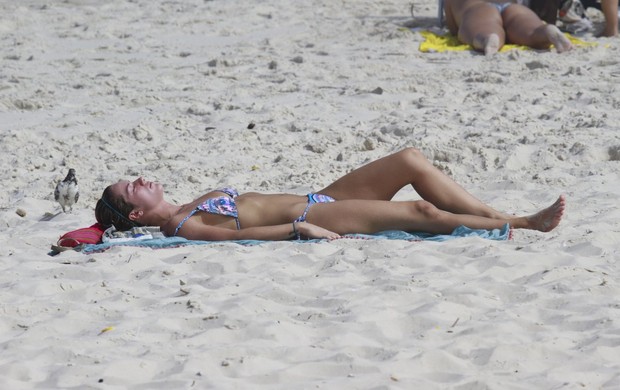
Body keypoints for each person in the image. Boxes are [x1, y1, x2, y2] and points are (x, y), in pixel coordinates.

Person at [95, 148, 566, 241]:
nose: (139, 178)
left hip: (319, 195)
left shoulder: (191, 201)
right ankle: (522, 223)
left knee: (409, 160)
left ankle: (499, 214)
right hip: (323, 214)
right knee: (419, 210)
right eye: (130, 188)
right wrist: (296, 229)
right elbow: (236, 239)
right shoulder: (180, 225)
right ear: (136, 215)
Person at [444, 0, 574, 55]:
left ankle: (487, 37)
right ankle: (546, 31)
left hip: (478, 7)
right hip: (511, 7)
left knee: (482, 27)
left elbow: (454, 28)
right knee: (529, 29)